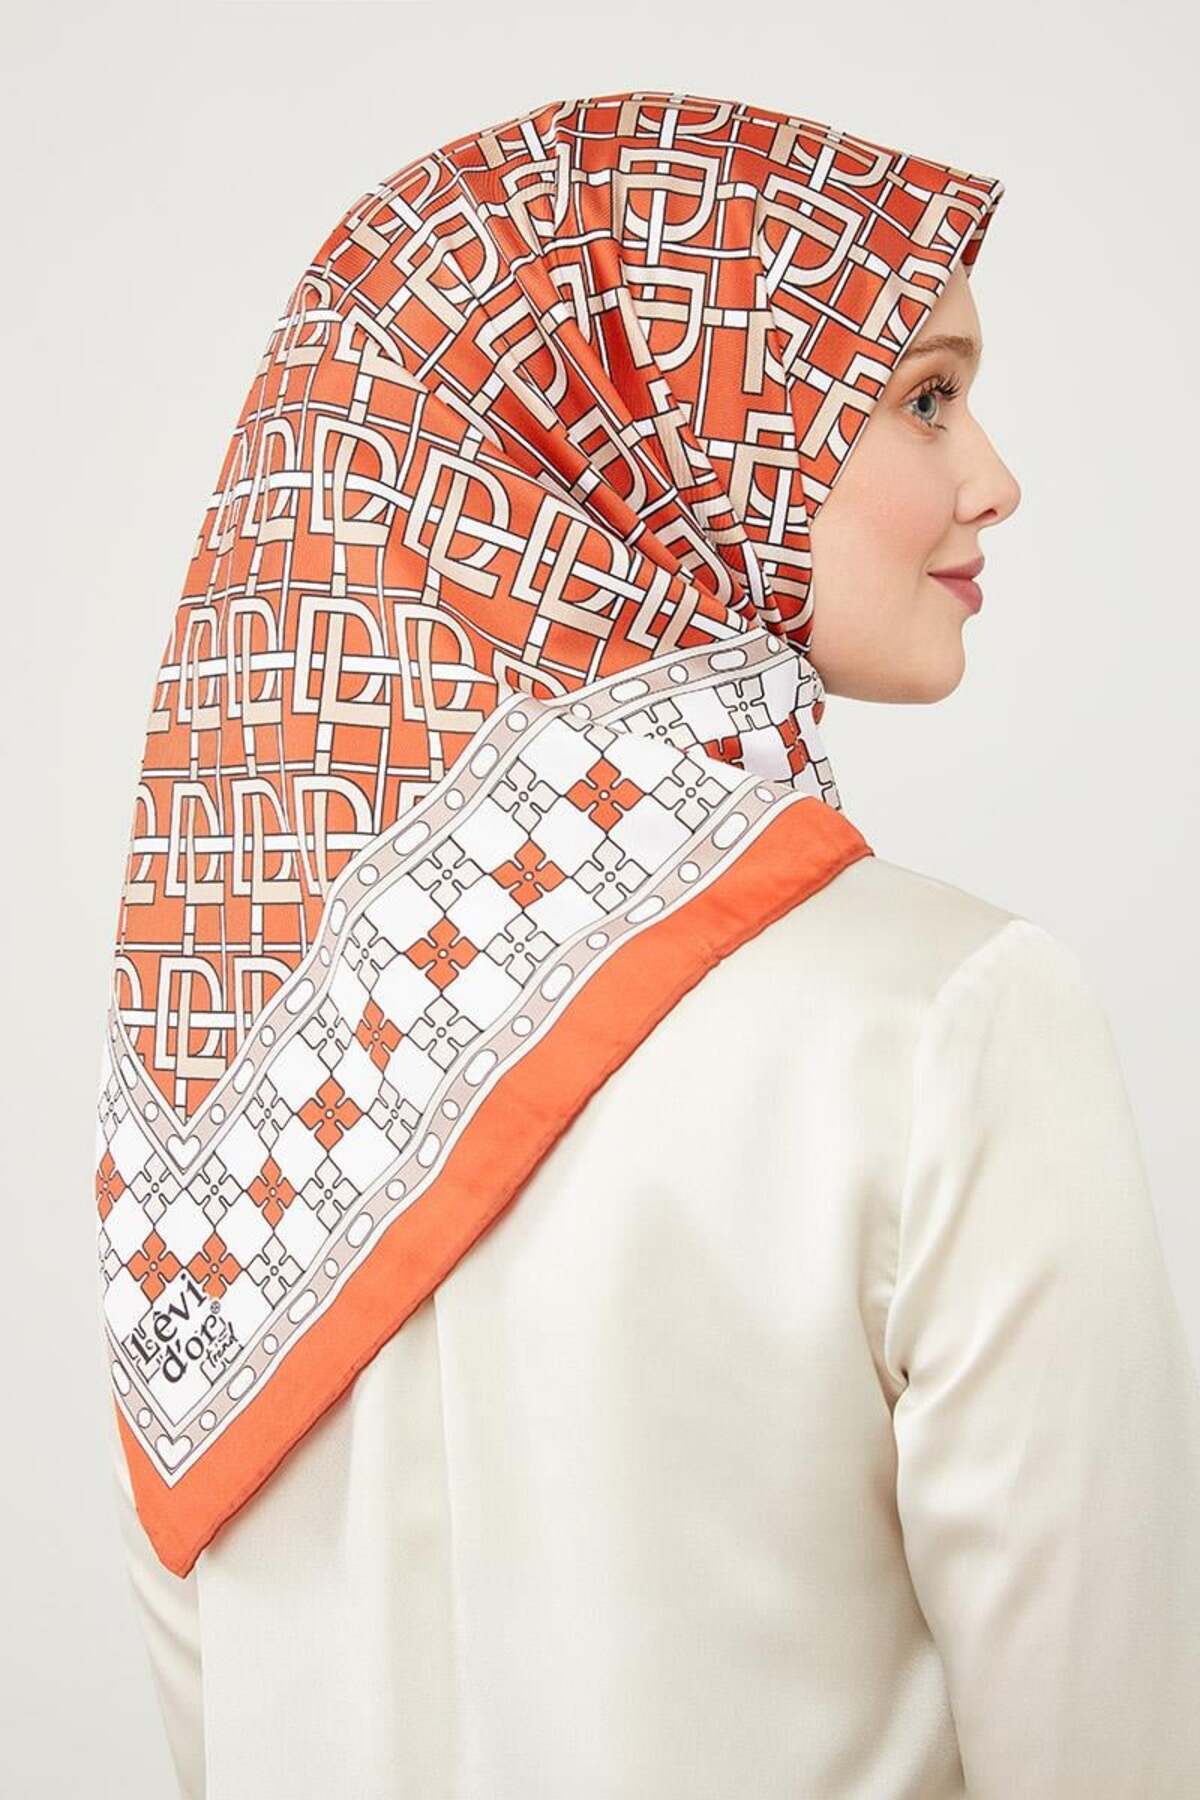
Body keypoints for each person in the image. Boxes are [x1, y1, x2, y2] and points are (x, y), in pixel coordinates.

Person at [98, 90, 1200, 1798]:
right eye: (925, 396)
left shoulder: (205, 1144)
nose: (993, 479)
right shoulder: (953, 1023)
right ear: (645, 437)